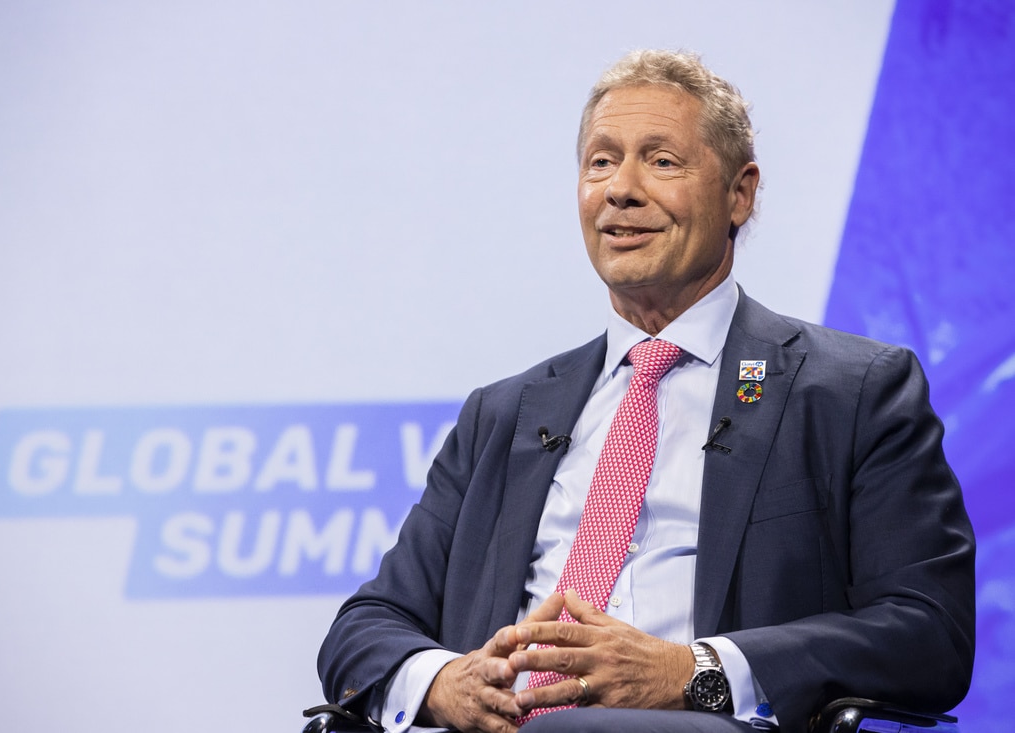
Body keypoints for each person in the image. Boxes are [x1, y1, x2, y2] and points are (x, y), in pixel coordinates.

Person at [315, 49, 975, 733]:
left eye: (661, 161)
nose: (620, 189)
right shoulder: (502, 415)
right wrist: (445, 682)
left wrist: (693, 673)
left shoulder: (851, 392)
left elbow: (928, 631)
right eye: (601, 161)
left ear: (740, 194)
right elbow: (367, 624)